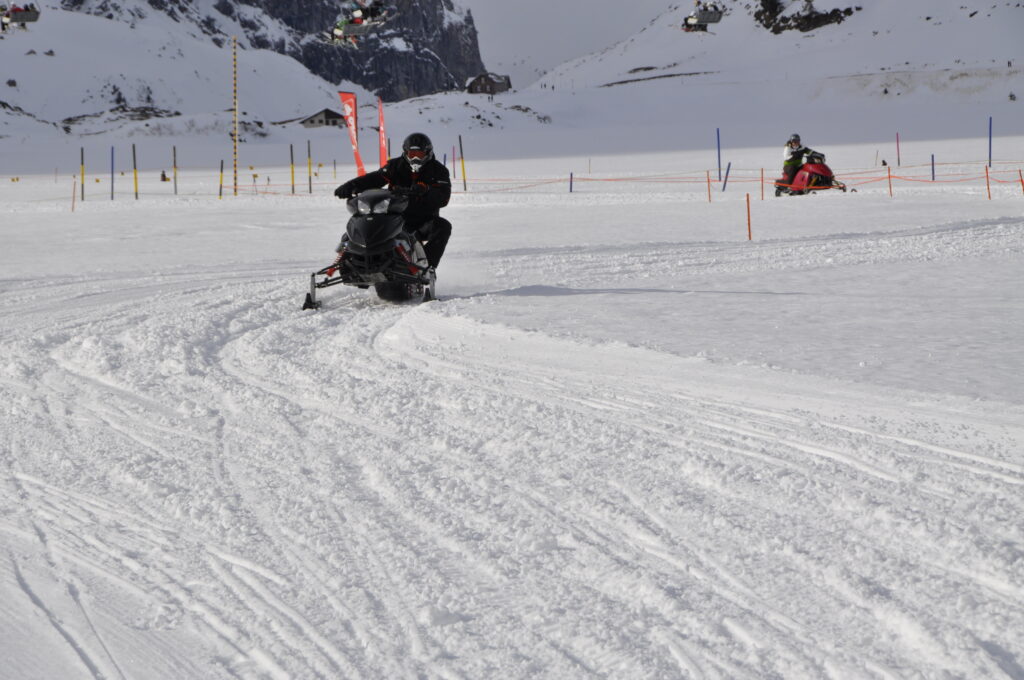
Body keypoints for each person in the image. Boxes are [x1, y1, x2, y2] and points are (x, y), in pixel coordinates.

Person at [334, 132, 452, 270]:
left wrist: (426, 190)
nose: (414, 158)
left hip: (424, 221)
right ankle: (350, 261)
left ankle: (426, 267)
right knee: (364, 222)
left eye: (419, 154)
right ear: (405, 152)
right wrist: (350, 186)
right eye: (411, 154)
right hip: (396, 218)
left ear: (428, 153)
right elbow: (375, 178)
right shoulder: (396, 165)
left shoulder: (439, 170)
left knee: (443, 226)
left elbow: (444, 197)